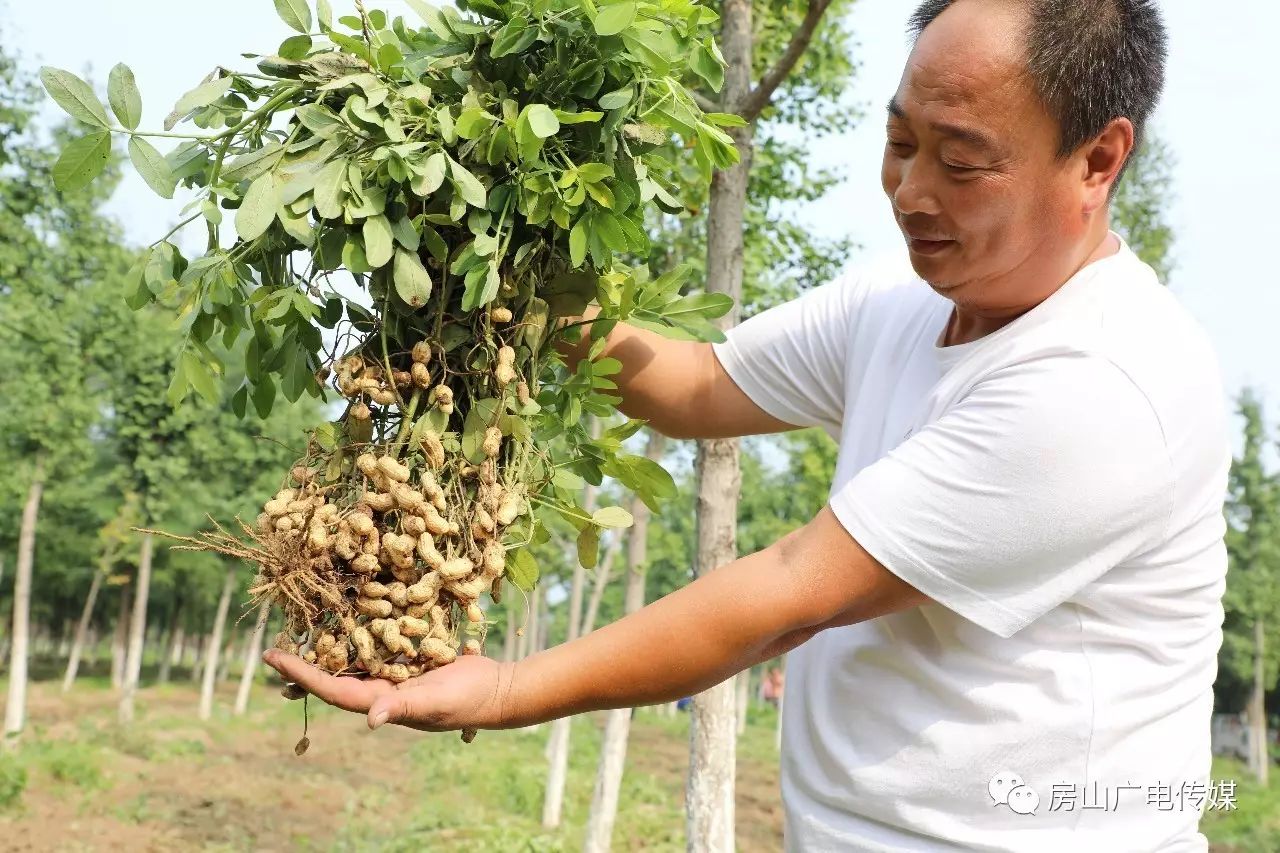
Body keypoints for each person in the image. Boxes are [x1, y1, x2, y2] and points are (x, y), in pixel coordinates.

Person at [266, 0, 1229, 848]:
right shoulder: (903, 301)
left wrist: (509, 689)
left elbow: (783, 596)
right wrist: (506, 265)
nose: (909, 192)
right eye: (900, 143)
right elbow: (692, 384)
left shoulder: (1103, 385)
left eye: (963, 161)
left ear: (1098, 159)